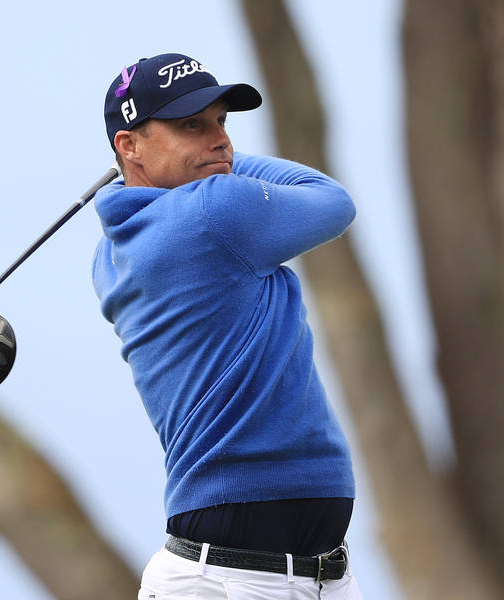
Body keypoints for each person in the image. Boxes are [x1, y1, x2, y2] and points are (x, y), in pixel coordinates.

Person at [93, 53, 363, 599]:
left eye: (221, 123)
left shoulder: (110, 253)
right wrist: (222, 168)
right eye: (192, 125)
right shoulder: (214, 211)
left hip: (311, 576)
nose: (220, 140)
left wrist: (189, 161)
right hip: (231, 582)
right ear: (129, 145)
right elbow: (332, 200)